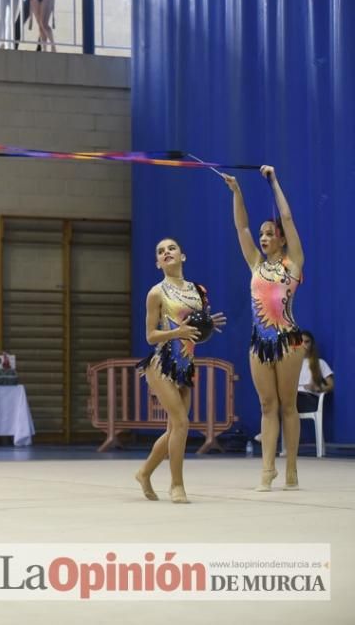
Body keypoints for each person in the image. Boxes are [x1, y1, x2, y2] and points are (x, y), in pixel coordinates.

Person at [223, 166, 304, 491]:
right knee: (267, 406)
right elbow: (241, 227)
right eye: (262, 235)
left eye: (270, 234)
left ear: (281, 238)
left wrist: (273, 181)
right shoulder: (256, 263)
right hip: (260, 343)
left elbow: (287, 216)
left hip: (288, 340)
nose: (264, 238)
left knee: (288, 405)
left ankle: (292, 469)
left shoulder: (293, 262)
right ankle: (267, 470)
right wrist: (237, 192)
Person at [134, 238, 226, 504]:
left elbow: (196, 326)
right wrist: (177, 331)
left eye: (171, 248)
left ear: (182, 256)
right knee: (182, 423)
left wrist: (208, 324)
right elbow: (150, 336)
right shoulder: (156, 293)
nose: (166, 252)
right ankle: (177, 485)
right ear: (157, 262)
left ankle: (144, 472)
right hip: (161, 363)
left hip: (185, 365)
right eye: (160, 251)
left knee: (175, 428)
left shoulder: (198, 291)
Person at [298, 330, 333, 413]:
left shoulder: (320, 363)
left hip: (309, 398)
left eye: (307, 342)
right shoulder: (292, 364)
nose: (303, 345)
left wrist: (318, 388)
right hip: (292, 399)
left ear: (312, 344)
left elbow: (331, 385)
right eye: (300, 342)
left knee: (286, 403)